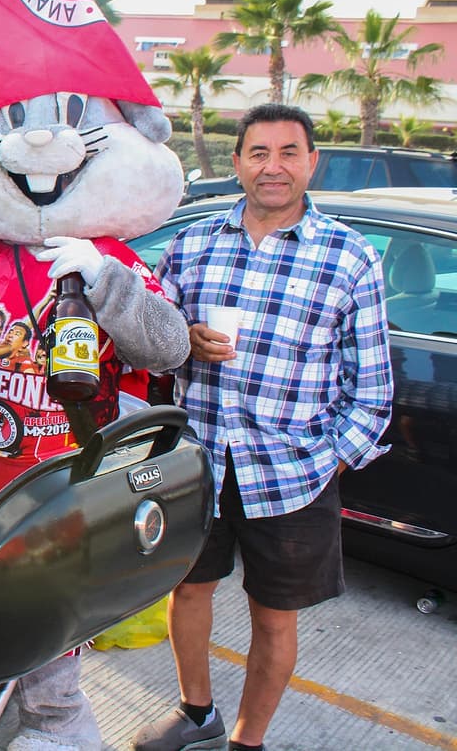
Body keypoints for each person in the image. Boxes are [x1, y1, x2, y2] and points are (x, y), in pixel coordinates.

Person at [137, 103, 393, 751]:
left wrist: (326, 461)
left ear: (312, 162)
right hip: (197, 461)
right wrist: (182, 342)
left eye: (287, 153)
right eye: (258, 153)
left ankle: (247, 742)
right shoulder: (191, 243)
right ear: (238, 161)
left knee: (274, 622)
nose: (272, 167)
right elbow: (151, 343)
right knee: (187, 593)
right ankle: (197, 714)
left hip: (293, 477)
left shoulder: (350, 258)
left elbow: (372, 395)